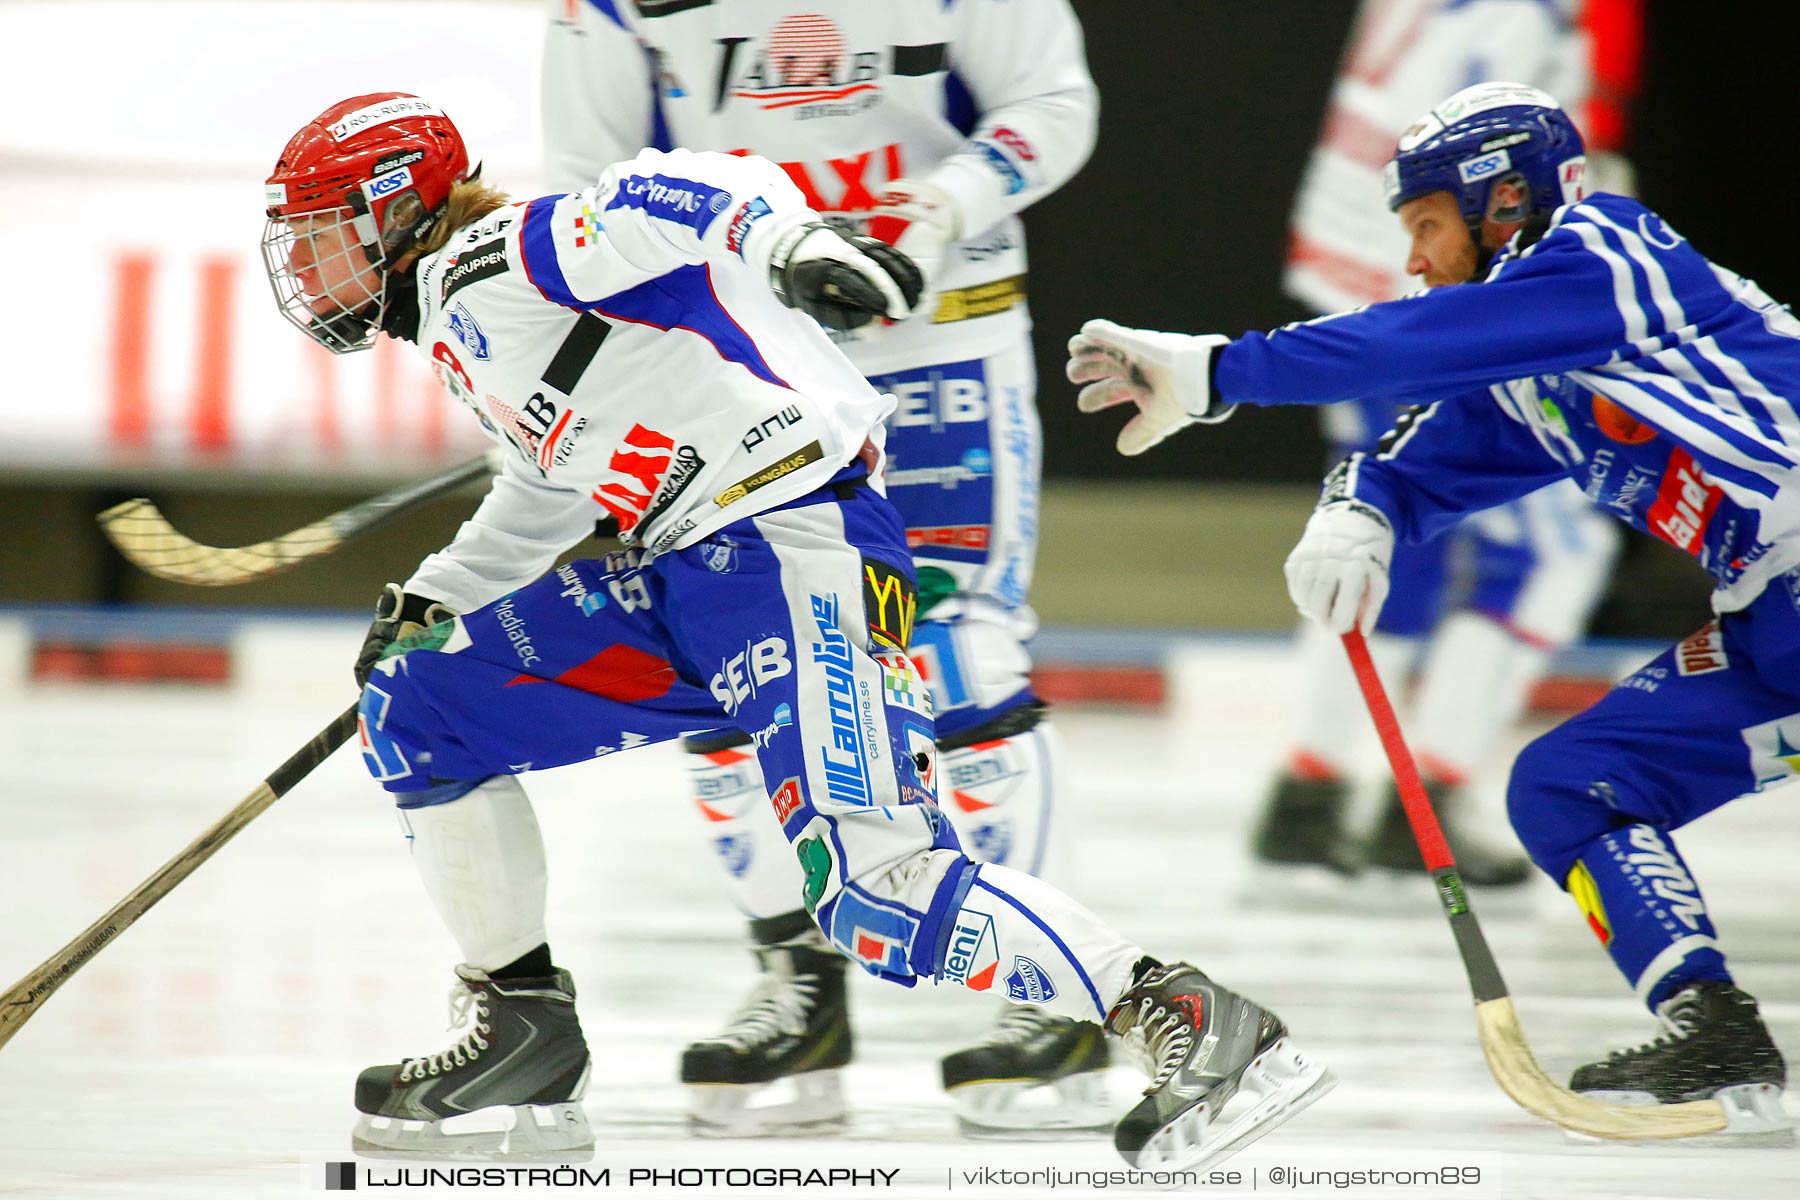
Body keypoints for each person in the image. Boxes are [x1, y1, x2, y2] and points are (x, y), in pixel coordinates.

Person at [260, 92, 1333, 1163]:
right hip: (687, 576)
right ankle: (523, 1024)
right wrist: (438, 596)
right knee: (424, 703)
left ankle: (1185, 1015)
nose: (310, 271)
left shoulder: (506, 251)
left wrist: (791, 243)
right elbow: (550, 488)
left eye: (324, 236)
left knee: (879, 893)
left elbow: (696, 187)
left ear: (399, 211)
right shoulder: (465, 323)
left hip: (794, 543)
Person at [1069, 81, 1790, 1132]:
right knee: (1570, 785)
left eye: (1426, 226)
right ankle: (1718, 1033)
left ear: (1507, 204)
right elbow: (1431, 450)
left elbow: (1414, 341)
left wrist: (1222, 372)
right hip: (1780, 622)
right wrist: (1359, 514)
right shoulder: (1543, 362)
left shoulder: (1608, 257)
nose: (1414, 258)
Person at [540, 0, 1105, 1134]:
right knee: (722, 659)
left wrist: (938, 217)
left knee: (956, 639)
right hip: (735, 370)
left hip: (941, 333)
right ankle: (800, 983)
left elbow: (1054, 102)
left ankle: (1050, 1004)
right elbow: (581, 182)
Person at [1258, 0, 1637, 892]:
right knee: (1557, 556)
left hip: (1350, 271)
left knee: (1394, 539)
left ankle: (1307, 792)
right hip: (1430, 296)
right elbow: (1489, 193)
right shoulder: (1526, 20)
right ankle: (1425, 800)